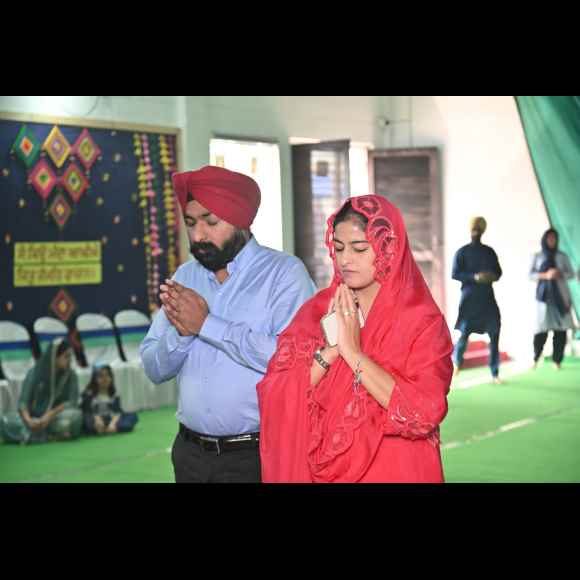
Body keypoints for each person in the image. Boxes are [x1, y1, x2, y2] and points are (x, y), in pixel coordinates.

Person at [256, 195, 453, 483]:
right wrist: (329, 353)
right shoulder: (317, 310)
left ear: (388, 249)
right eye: (338, 248)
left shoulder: (421, 321)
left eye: (359, 248)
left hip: (399, 471)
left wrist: (353, 353)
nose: (345, 259)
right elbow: (276, 396)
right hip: (322, 471)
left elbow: (422, 413)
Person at [140, 165, 316, 483]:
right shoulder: (185, 277)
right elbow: (153, 368)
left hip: (257, 455)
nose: (198, 236)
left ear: (240, 220)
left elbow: (294, 361)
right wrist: (181, 335)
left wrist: (207, 324)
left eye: (211, 222)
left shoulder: (284, 275)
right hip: (190, 454)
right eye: (190, 223)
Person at [451, 217, 503, 384]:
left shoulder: (489, 252)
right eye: (475, 229)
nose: (476, 232)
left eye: (479, 229)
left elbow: (498, 273)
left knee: (494, 331)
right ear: (470, 230)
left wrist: (490, 276)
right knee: (464, 333)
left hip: (487, 298)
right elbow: (455, 273)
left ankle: (495, 373)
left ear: (483, 231)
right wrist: (474, 277)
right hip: (469, 299)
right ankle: (456, 363)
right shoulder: (462, 252)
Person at [0, 338, 82, 444]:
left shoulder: (71, 375)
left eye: (70, 356)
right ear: (54, 357)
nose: (70, 360)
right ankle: (45, 435)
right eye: (66, 356)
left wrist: (49, 415)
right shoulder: (34, 372)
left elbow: (72, 402)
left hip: (54, 419)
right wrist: (28, 420)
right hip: (32, 419)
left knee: (76, 416)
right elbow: (23, 402)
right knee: (5, 421)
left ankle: (29, 436)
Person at [530, 228, 576, 369]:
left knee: (560, 330)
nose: (552, 240)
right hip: (544, 298)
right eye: (549, 238)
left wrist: (559, 273)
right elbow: (530, 274)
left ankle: (557, 361)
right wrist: (545, 275)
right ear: (545, 239)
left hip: (560, 298)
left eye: (554, 238)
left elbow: (571, 274)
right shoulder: (538, 256)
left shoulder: (562, 256)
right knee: (541, 330)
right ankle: (536, 357)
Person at [80, 364, 138, 435]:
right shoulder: (88, 394)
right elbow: (87, 411)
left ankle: (112, 428)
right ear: (94, 379)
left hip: (109, 418)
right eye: (101, 376)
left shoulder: (114, 394)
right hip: (94, 419)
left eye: (107, 376)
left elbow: (117, 412)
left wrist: (113, 424)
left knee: (132, 416)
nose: (105, 379)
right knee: (86, 420)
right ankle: (103, 429)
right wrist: (97, 419)